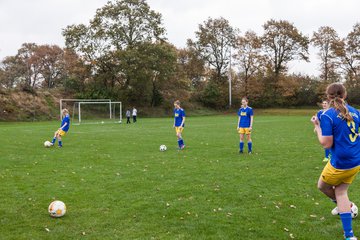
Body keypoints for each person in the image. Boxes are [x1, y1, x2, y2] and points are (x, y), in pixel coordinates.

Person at [311, 83, 360, 240]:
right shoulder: (356, 112)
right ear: (345, 95)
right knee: (341, 192)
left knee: (322, 186)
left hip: (340, 162)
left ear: (328, 96)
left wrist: (317, 127)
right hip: (355, 161)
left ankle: (345, 206)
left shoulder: (327, 114)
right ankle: (349, 235)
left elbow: (326, 143)